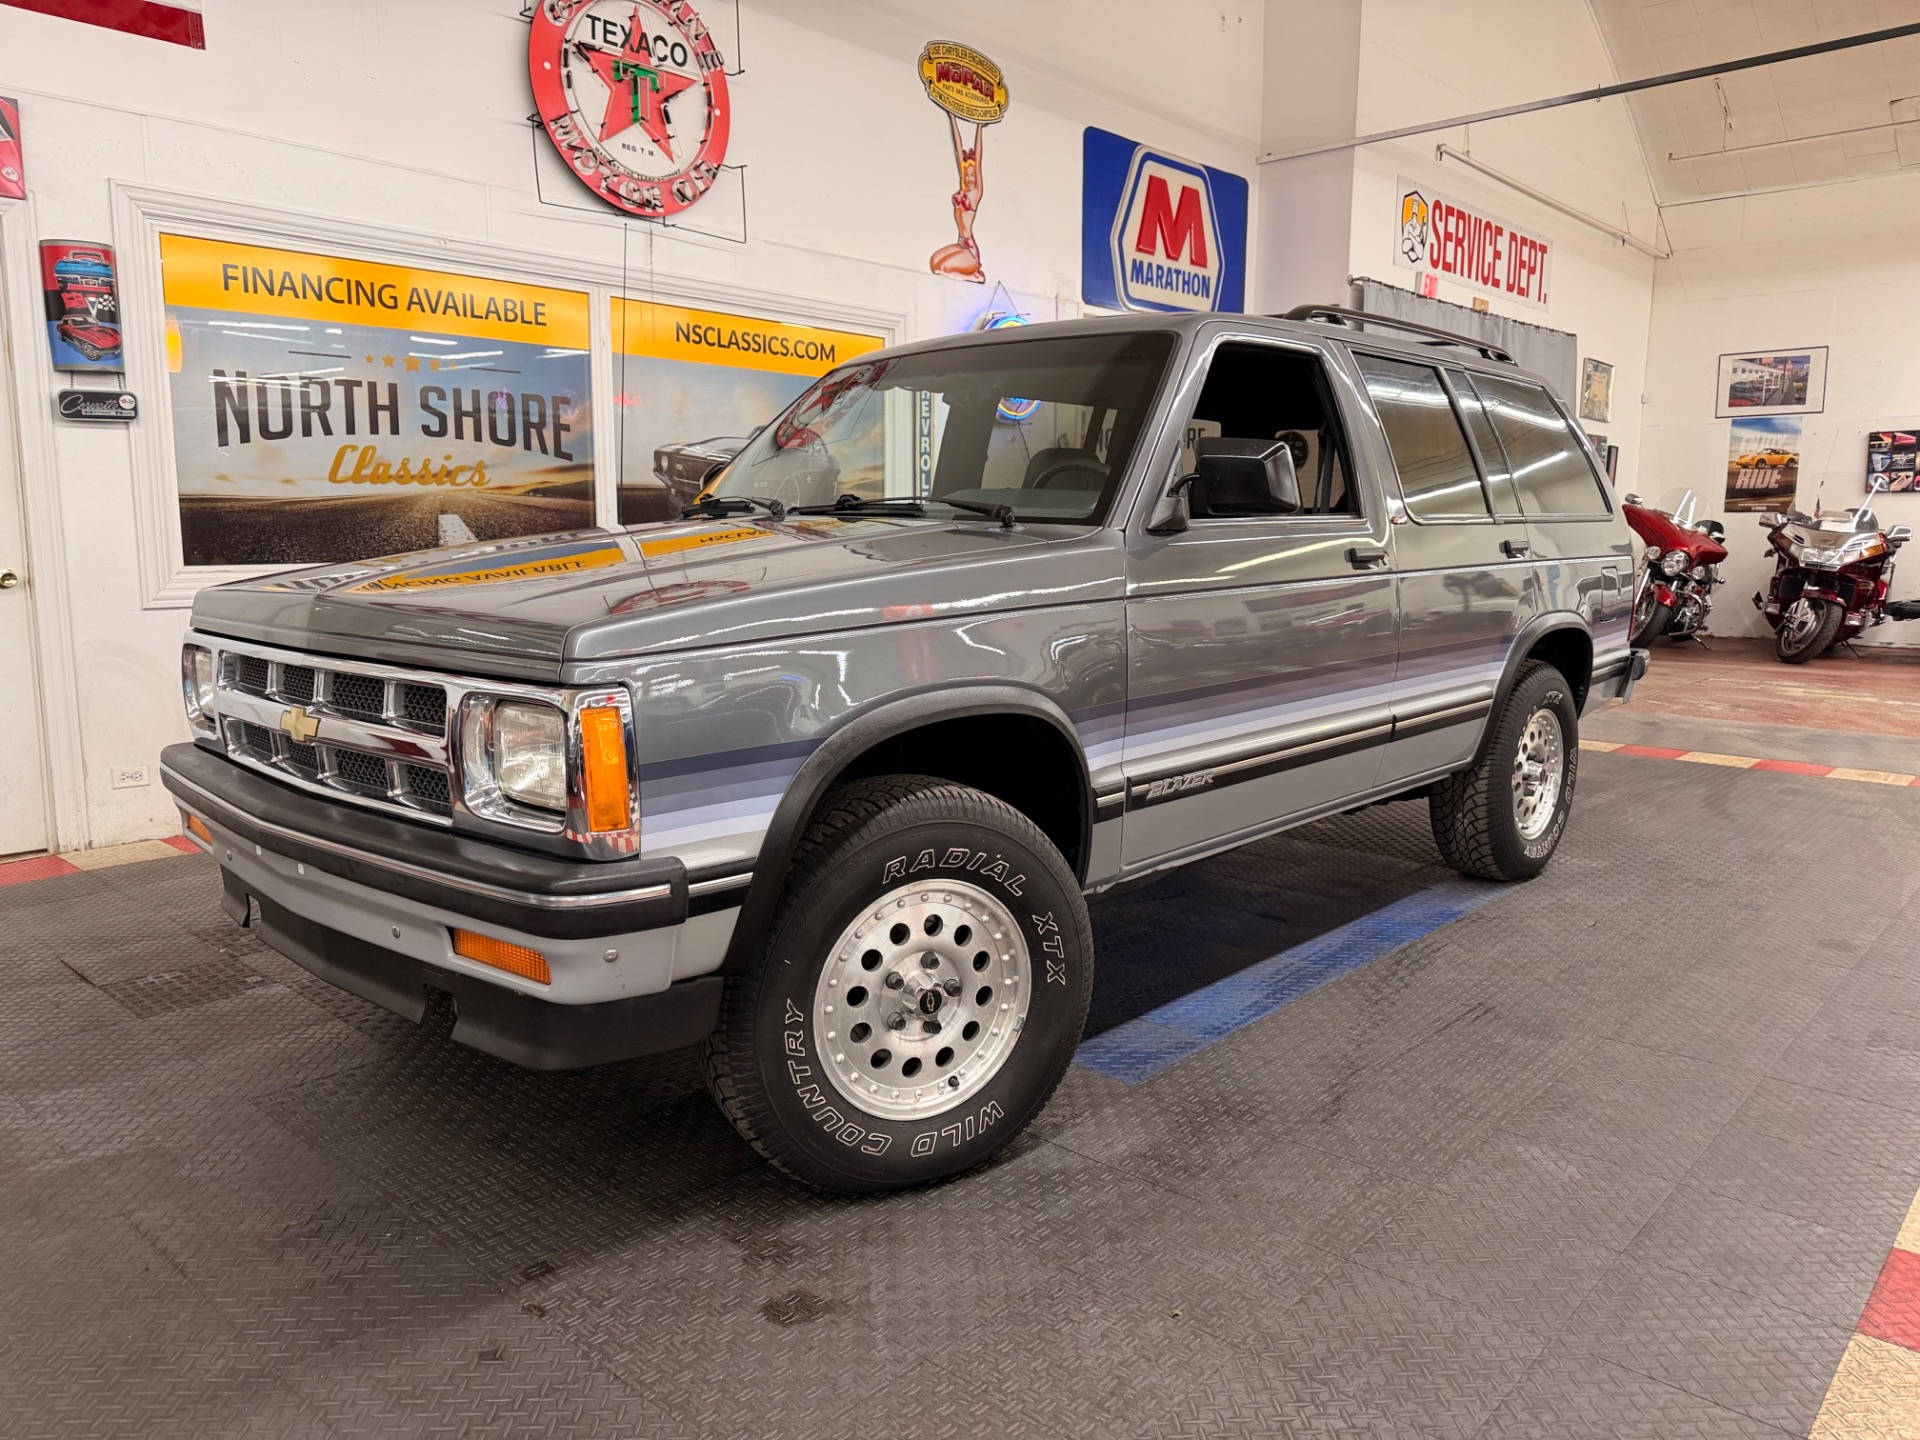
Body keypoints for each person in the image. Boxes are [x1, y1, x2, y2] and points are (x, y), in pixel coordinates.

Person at [929, 112, 986, 283]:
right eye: (967, 175)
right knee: (933, 264)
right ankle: (970, 273)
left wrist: (979, 128)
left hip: (969, 251)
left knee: (943, 269)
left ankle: (975, 276)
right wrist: (952, 119)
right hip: (960, 244)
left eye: (972, 176)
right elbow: (958, 150)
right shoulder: (961, 192)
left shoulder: (975, 194)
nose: (970, 179)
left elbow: (979, 157)